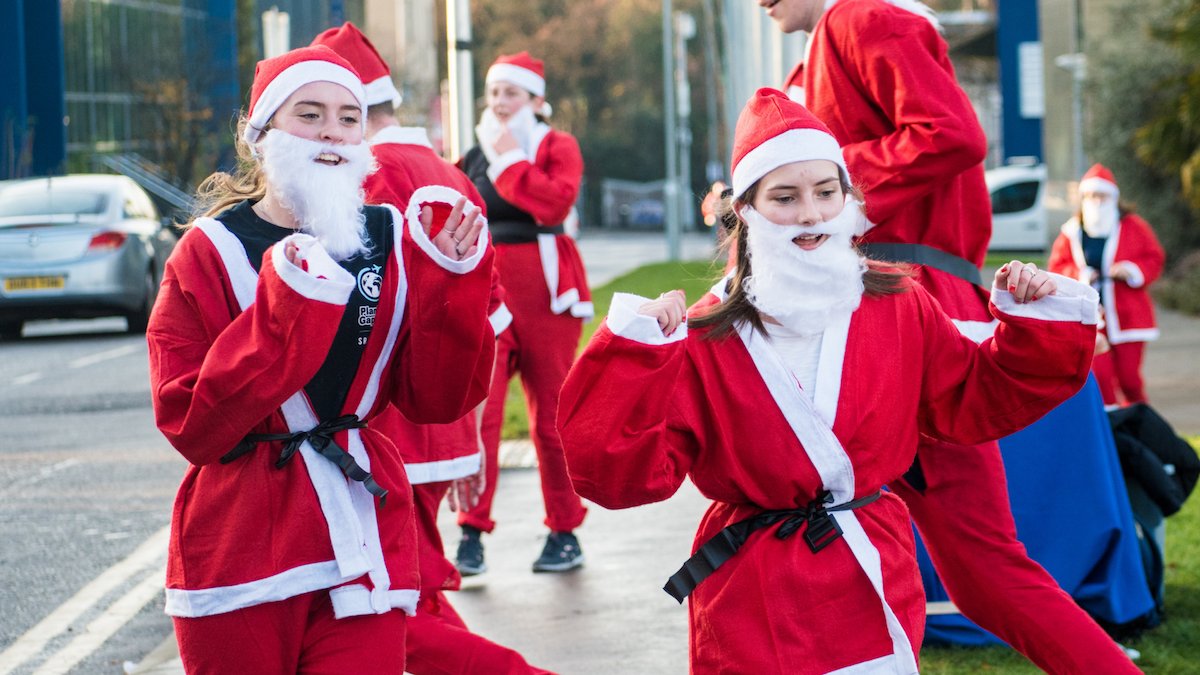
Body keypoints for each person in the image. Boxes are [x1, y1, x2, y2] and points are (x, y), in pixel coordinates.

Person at [557, 88, 1101, 674]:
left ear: (848, 196)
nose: (812, 213)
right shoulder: (703, 336)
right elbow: (619, 477)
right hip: (754, 596)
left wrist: (1036, 317)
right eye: (785, 197)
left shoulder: (897, 301)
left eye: (826, 192)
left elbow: (973, 395)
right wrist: (634, 354)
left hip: (872, 572)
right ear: (747, 209)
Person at [761, 1, 1143, 671]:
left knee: (793, 520)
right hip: (883, 304)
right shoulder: (839, 36)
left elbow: (951, 133)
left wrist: (819, 181)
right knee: (975, 568)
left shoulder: (860, 19)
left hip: (896, 310)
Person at [146, 45, 495, 674]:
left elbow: (435, 399)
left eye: (347, 116)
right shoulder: (207, 254)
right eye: (308, 115)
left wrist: (452, 283)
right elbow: (190, 424)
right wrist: (287, 312)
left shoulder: (392, 237)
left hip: (362, 533)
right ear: (261, 136)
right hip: (242, 545)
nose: (331, 132)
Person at [310, 23, 555, 674]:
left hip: (392, 424)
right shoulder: (443, 169)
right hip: (433, 419)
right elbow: (486, 309)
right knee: (403, 596)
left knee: (397, 606)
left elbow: (363, 313)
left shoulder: (371, 173)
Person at [454, 51, 592, 575]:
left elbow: (553, 204)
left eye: (511, 93)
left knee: (552, 418)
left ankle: (564, 530)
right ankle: (471, 532)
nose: (500, 104)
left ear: (536, 98)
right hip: (487, 290)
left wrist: (511, 160)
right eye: (493, 94)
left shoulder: (558, 145)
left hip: (549, 292)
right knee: (482, 414)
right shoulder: (474, 154)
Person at [1049, 163, 1166, 408]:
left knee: (1130, 381)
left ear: (1112, 197)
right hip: (1090, 317)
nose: (1096, 201)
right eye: (1091, 196)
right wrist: (1080, 274)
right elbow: (1057, 268)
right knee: (1100, 379)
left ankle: (1140, 424)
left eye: (1101, 195)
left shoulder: (1133, 226)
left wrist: (1131, 270)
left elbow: (1154, 258)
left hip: (1127, 315)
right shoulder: (1071, 232)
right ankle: (1113, 431)